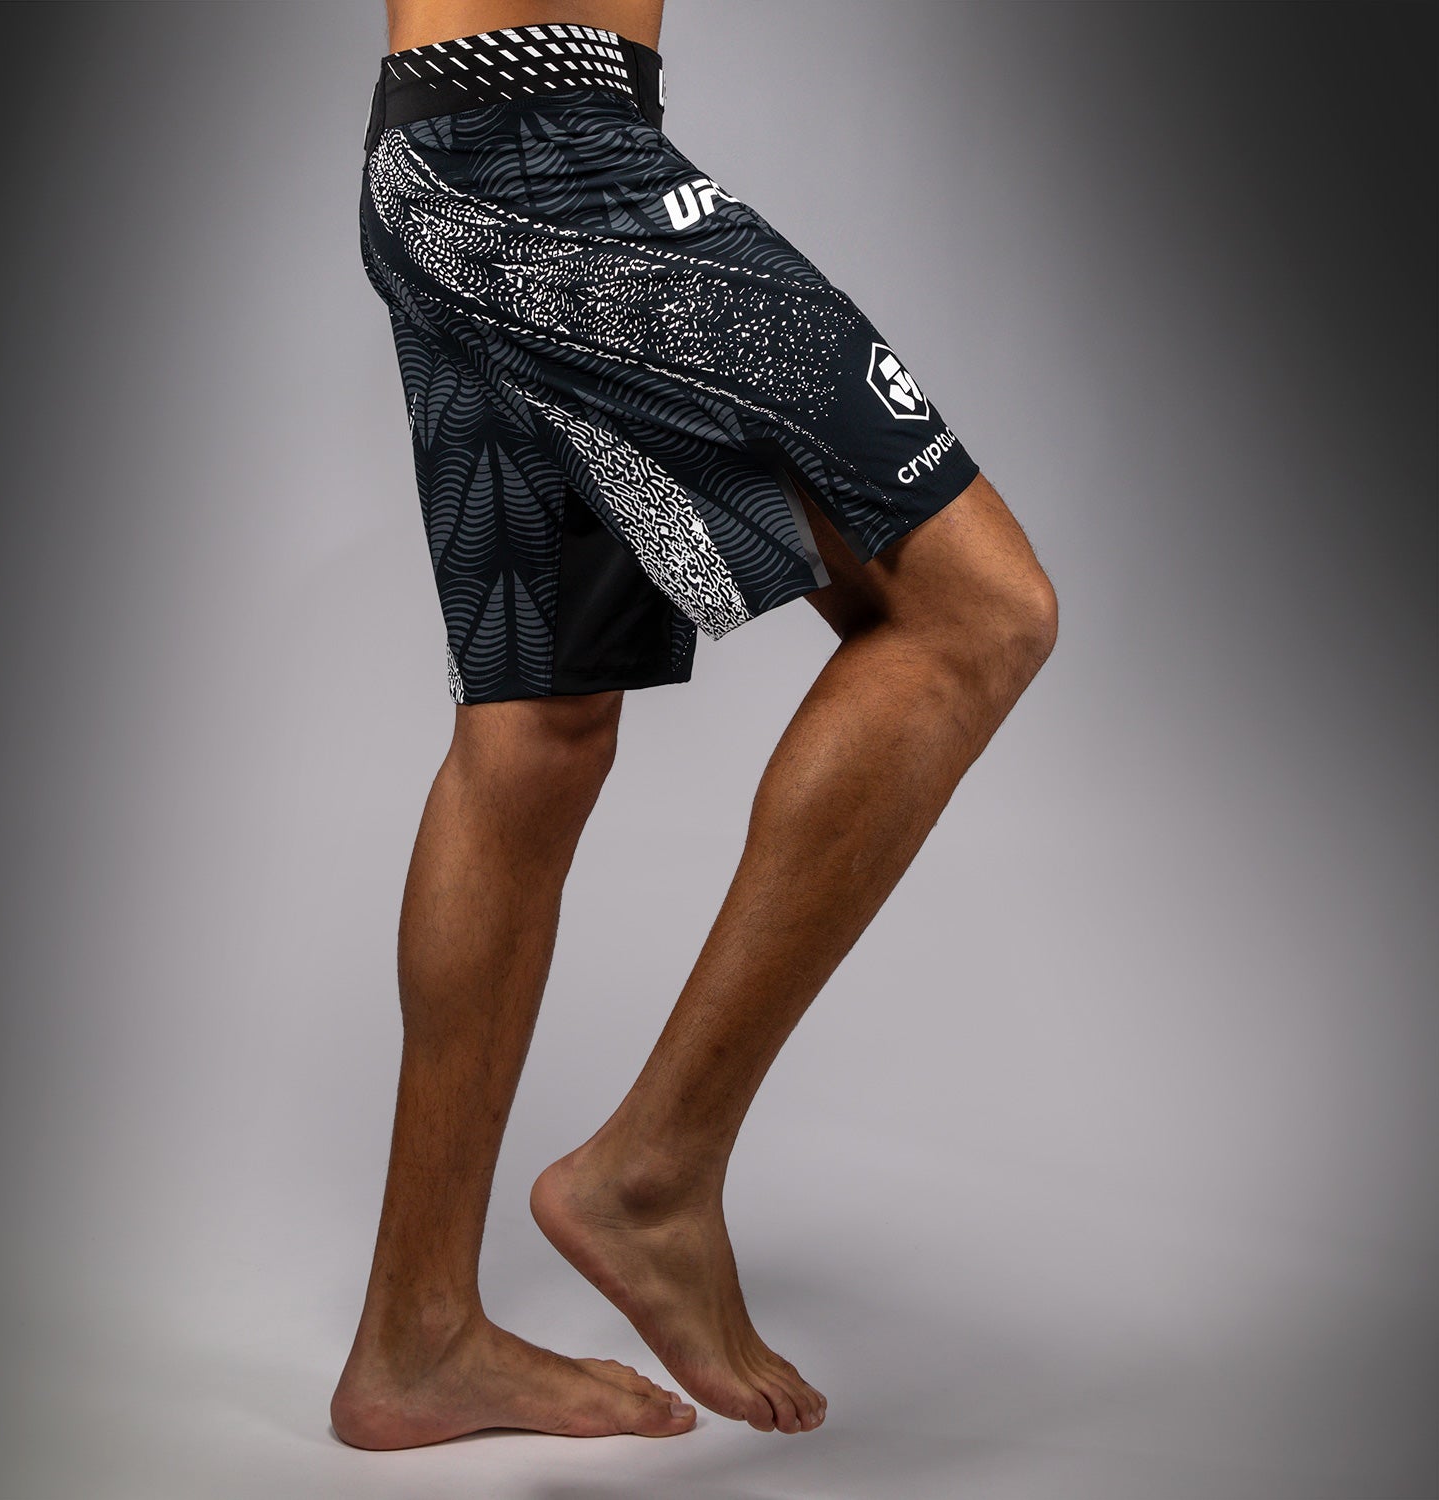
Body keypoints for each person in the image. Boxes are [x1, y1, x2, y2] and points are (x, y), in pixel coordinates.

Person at [333, 0, 1058, 1448]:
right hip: (543, 155)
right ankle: (654, 1173)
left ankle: (415, 1337)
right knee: (979, 611)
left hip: (463, 149)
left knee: (534, 735)